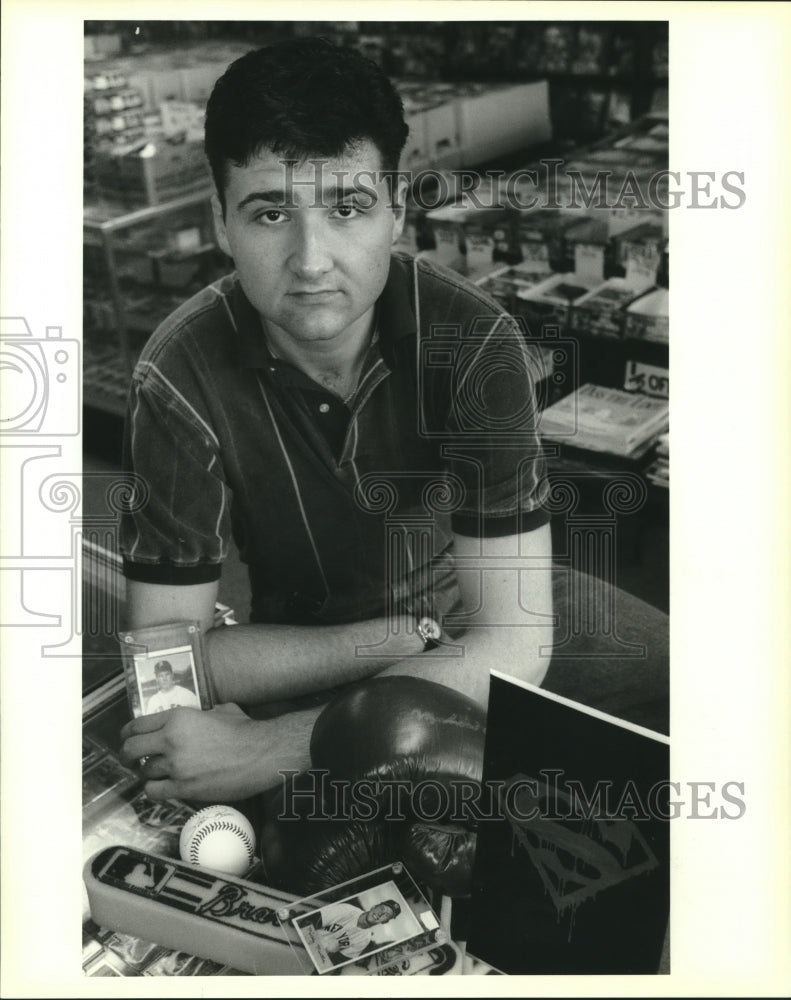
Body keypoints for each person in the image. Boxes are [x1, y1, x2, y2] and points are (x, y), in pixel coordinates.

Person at [118, 36, 553, 802]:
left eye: (347, 207)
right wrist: (386, 641)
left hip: (456, 654)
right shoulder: (177, 374)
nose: (310, 258)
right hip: (308, 643)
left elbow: (514, 638)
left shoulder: (476, 345)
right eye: (269, 212)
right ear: (221, 221)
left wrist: (282, 748)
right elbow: (165, 666)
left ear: (395, 210)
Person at [312, 899, 401, 963]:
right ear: (374, 907)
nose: (380, 914)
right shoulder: (347, 910)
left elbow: (337, 961)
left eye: (386, 915)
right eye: (382, 909)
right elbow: (310, 920)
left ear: (384, 921)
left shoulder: (365, 939)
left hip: (315, 958)